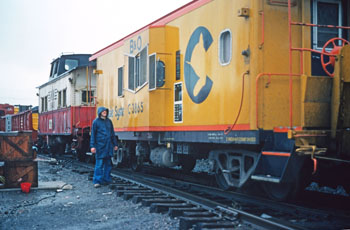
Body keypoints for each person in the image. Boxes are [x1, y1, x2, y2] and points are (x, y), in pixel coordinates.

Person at [90, 107, 118, 188]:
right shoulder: (96, 122)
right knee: (99, 164)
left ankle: (107, 179)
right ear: (100, 112)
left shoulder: (109, 121)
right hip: (100, 146)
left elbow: (112, 134)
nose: (104, 112)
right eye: (103, 111)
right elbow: (93, 135)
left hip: (108, 146)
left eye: (105, 111)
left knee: (108, 164)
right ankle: (97, 181)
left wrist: (115, 144)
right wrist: (92, 146)